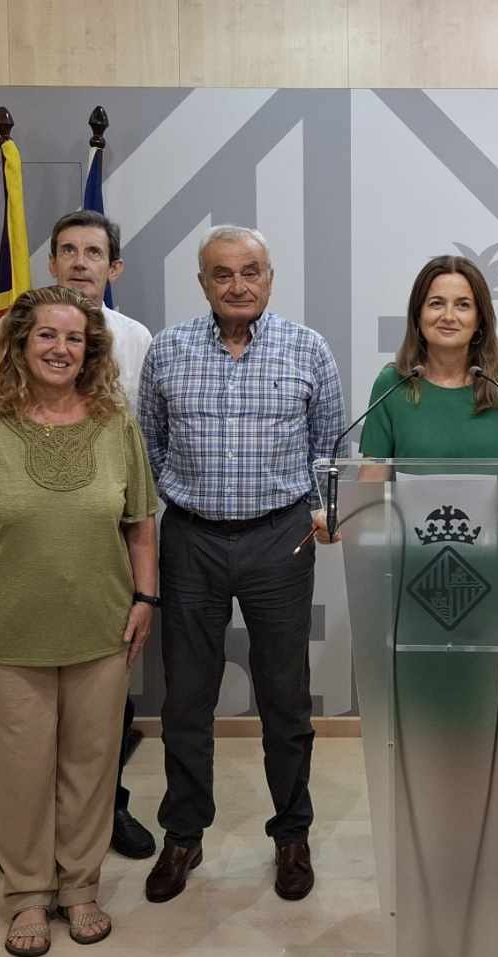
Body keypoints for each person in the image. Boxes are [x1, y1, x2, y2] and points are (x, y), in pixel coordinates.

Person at [0, 285, 160, 955]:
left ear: (92, 350)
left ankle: (80, 886)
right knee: (22, 770)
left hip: (102, 629)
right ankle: (28, 895)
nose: (63, 349)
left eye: (76, 339)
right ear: (20, 345)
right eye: (48, 337)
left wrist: (145, 599)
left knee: (92, 767)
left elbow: (141, 524)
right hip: (6, 636)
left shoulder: (117, 423)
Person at [136, 225, 344, 905]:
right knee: (186, 697)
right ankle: (184, 834)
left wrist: (316, 511)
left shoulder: (309, 349)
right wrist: (181, 501)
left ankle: (291, 833)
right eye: (222, 273)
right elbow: (149, 447)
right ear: (202, 283)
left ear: (270, 276)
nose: (238, 284)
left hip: (277, 540)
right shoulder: (167, 351)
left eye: (250, 270)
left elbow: (329, 450)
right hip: (190, 540)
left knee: (285, 696)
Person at [44, 209, 155, 861]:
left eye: (94, 252)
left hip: (109, 537)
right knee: (35, 691)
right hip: (35, 538)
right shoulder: (17, 332)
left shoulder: (135, 338)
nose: (81, 262)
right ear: (53, 264)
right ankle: (40, 827)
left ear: (113, 268)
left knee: (105, 686)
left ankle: (106, 809)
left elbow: (147, 437)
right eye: (69, 251)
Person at [357, 255, 498, 459]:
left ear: (479, 319)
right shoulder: (391, 383)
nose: (449, 317)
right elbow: (371, 483)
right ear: (418, 315)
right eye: (436, 304)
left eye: (463, 305)